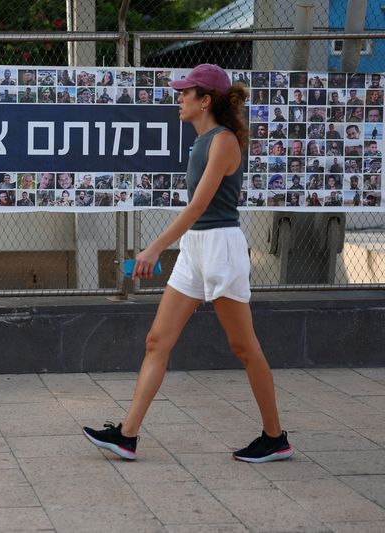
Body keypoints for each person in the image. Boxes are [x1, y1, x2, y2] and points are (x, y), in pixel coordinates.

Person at [82, 64, 293, 464]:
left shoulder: (223, 142)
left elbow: (199, 206)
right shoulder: (203, 141)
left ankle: (275, 438)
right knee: (157, 341)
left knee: (244, 347)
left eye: (186, 93)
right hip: (195, 249)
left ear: (205, 100)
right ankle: (127, 436)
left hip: (220, 248)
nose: (179, 98)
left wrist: (153, 248)